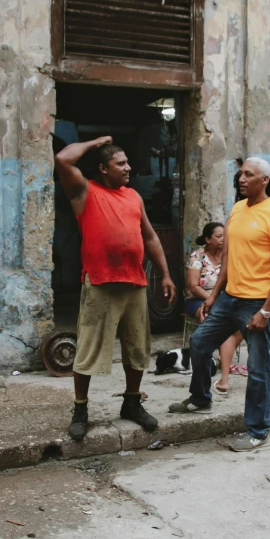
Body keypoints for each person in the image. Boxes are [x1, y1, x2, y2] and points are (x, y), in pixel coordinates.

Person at [54, 136, 176, 440]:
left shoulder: (133, 197)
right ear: (102, 169)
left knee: (137, 349)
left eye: (127, 163)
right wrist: (95, 141)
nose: (128, 168)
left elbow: (149, 237)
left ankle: (131, 403)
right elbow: (63, 160)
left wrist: (165, 274)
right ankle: (81, 409)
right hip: (99, 282)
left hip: (134, 282)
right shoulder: (85, 191)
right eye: (120, 163)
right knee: (88, 350)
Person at [169, 157, 270, 452]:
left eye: (248, 175)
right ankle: (200, 398)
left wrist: (265, 309)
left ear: (264, 180)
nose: (241, 178)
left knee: (258, 366)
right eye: (240, 174)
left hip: (257, 302)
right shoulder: (238, 209)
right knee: (199, 342)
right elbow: (228, 258)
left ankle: (258, 430)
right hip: (229, 298)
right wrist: (212, 297)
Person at [185, 222, 243, 395]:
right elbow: (193, 286)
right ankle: (224, 378)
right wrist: (212, 299)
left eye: (225, 236)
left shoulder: (229, 256)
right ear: (208, 239)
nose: (223, 239)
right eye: (219, 236)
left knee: (242, 324)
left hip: (225, 300)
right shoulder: (197, 257)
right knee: (224, 326)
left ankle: (220, 358)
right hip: (199, 299)